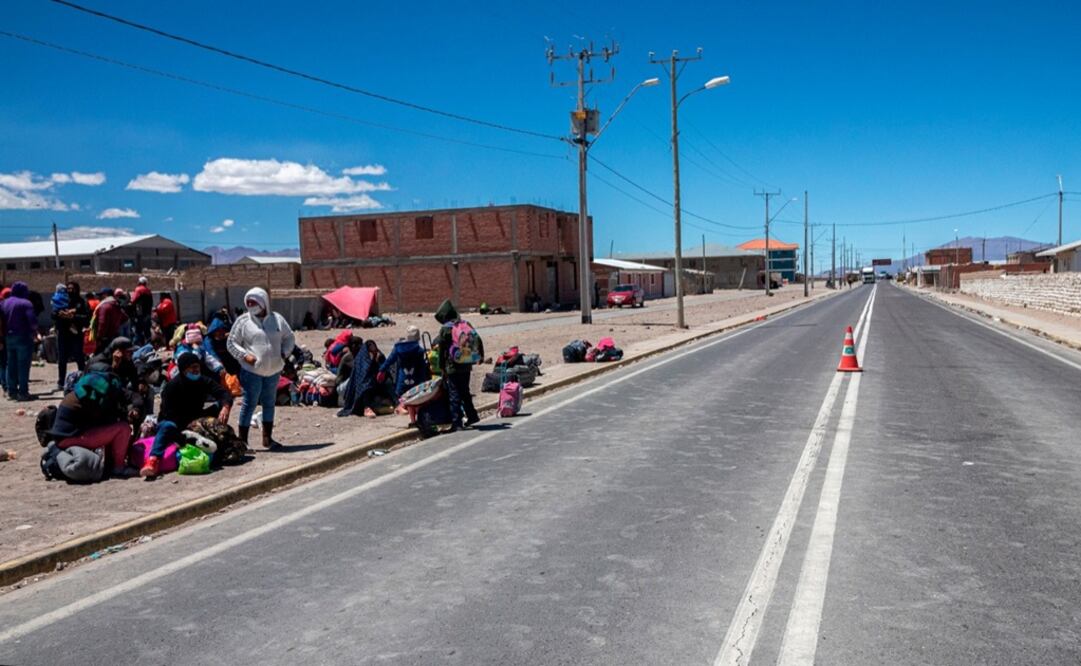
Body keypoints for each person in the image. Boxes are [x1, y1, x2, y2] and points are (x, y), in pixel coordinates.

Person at [140, 351, 233, 478]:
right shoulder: (172, 386)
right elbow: (168, 413)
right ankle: (153, 460)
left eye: (197, 367)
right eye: (192, 367)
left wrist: (225, 407)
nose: (196, 370)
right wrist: (189, 428)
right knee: (167, 425)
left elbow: (223, 393)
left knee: (219, 405)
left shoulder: (203, 381)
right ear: (184, 370)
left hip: (195, 418)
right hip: (175, 421)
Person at [227, 287, 294, 449]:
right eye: (248, 303)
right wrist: (244, 355)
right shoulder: (243, 321)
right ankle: (243, 441)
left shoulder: (277, 319)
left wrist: (284, 353)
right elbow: (231, 342)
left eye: (254, 302)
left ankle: (267, 439)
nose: (251, 306)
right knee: (249, 403)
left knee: (269, 403)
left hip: (274, 370)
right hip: (252, 371)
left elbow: (289, 337)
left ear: (264, 302)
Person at [48, 370, 138, 478]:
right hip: (70, 438)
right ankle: (119, 467)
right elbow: (102, 421)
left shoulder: (76, 395)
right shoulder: (89, 400)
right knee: (123, 428)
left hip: (63, 437)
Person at [434, 299, 482, 430]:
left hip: (452, 366)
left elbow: (442, 350)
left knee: (454, 394)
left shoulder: (445, 329)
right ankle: (472, 416)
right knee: (465, 391)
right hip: (466, 363)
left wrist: (441, 366)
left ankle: (457, 422)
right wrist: (479, 356)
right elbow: (477, 339)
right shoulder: (466, 324)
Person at [1, 281, 40, 401]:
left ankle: (11, 392)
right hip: (23, 337)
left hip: (8, 337)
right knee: (23, 365)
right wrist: (35, 332)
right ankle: (23, 392)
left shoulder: (4, 303)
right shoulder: (26, 303)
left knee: (10, 364)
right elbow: (32, 321)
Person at [378, 325, 431, 408]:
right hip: (415, 381)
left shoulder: (398, 348)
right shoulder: (419, 350)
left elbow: (390, 360)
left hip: (402, 380)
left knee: (401, 397)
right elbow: (422, 369)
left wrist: (381, 370)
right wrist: (423, 383)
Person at [53, 281, 91, 390]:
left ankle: (83, 380)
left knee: (79, 358)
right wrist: (61, 314)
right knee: (62, 359)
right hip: (63, 334)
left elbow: (86, 319)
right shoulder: (62, 301)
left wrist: (73, 317)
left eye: (72, 288)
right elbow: (53, 314)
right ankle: (61, 382)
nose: (70, 291)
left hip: (76, 334)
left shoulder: (82, 302)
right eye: (68, 288)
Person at [92, 288, 128, 354]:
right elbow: (125, 318)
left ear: (105, 295)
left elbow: (102, 323)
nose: (99, 297)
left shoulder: (104, 306)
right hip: (114, 335)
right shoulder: (116, 305)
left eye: (100, 295)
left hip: (105, 338)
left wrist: (99, 337)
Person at [132, 276, 153, 346]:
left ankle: (139, 346)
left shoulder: (138, 289)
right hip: (148, 313)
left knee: (138, 331)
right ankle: (149, 345)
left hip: (140, 314)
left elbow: (133, 300)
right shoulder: (148, 290)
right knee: (147, 331)